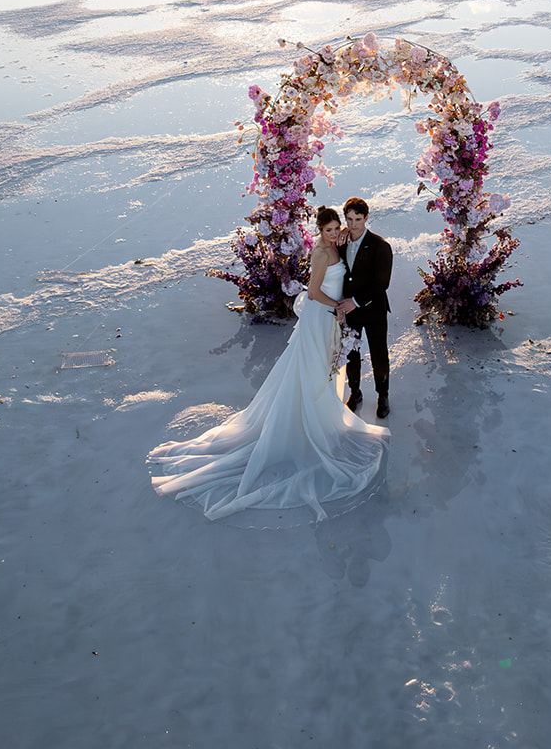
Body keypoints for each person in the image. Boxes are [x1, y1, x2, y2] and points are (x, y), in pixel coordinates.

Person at [148, 206, 389, 522]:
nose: (334, 233)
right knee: (312, 370)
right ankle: (305, 428)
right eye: (328, 229)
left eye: (337, 228)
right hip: (322, 315)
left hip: (334, 317)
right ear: (319, 230)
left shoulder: (341, 244)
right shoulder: (320, 252)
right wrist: (339, 307)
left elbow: (369, 276)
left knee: (323, 372)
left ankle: (333, 416)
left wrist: (344, 306)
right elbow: (314, 293)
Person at [337, 196, 393, 419]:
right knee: (351, 353)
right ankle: (355, 393)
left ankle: (383, 396)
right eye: (348, 219)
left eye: (358, 219)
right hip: (350, 312)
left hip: (373, 309)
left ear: (366, 218)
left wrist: (356, 301)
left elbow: (382, 284)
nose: (353, 225)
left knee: (379, 354)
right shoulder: (341, 241)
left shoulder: (381, 246)